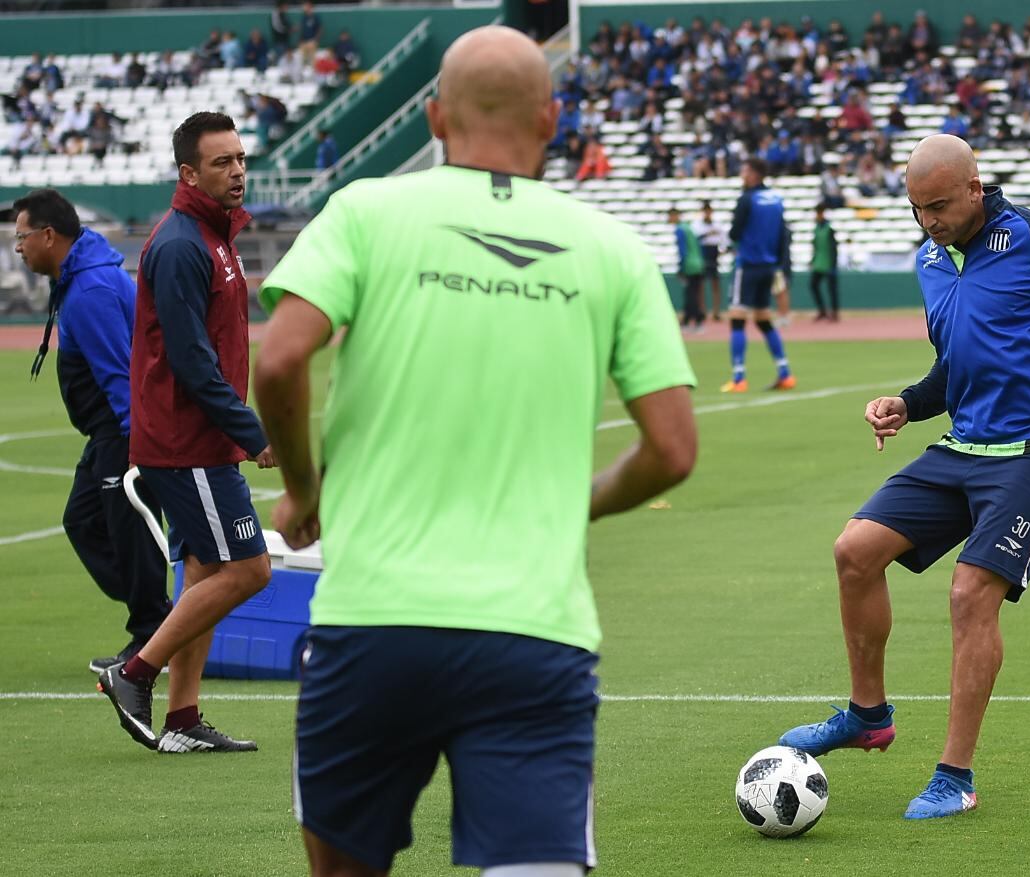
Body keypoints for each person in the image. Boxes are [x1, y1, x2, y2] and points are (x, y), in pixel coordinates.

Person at [251, 25, 696, 877]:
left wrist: (303, 490)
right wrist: (579, 500)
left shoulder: (367, 210)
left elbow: (277, 358)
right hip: (532, 630)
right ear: (552, 117)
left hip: (372, 621)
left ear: (433, 115)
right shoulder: (611, 248)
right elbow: (672, 450)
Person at [777, 134, 1030, 820]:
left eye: (941, 206)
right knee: (854, 551)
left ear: (976, 188)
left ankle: (955, 775)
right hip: (964, 447)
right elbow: (958, 368)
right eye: (918, 209)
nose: (929, 221)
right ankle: (868, 714)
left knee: (969, 592)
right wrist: (908, 403)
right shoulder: (929, 258)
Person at [97, 111, 276, 754]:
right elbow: (189, 357)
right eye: (222, 162)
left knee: (205, 572)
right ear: (188, 172)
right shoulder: (180, 245)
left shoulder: (213, 235)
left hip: (200, 439)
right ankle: (134, 672)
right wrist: (253, 432)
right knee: (250, 570)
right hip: (187, 441)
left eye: (240, 159)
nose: (236, 171)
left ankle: (182, 722)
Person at [14, 188, 171, 673]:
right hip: (109, 431)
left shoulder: (91, 291)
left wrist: (136, 446)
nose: (17, 247)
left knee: (130, 533)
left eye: (20, 237)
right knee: (84, 521)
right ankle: (168, 621)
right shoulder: (81, 279)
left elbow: (120, 374)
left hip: (122, 432)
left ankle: (156, 634)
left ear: (47, 235)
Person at [723, 156, 795, 393]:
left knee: (737, 319)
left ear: (754, 174)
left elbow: (734, 231)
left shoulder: (747, 199)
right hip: (769, 267)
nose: (742, 175)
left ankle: (738, 377)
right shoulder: (776, 199)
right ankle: (785, 373)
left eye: (744, 171)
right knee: (764, 320)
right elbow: (784, 234)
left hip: (749, 265)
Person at [670, 206, 706, 331]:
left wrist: (681, 267)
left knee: (690, 294)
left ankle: (694, 320)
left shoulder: (680, 229)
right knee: (693, 293)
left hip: (690, 266)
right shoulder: (688, 227)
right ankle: (691, 320)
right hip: (698, 264)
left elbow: (683, 251)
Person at [690, 200, 726, 320]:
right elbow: (695, 239)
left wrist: (722, 251)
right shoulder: (697, 225)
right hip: (703, 253)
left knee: (715, 284)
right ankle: (702, 310)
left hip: (714, 253)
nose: (707, 213)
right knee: (701, 284)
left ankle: (716, 311)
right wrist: (708, 234)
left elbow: (723, 240)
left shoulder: (718, 224)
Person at [810, 203, 840, 320]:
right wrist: (812, 260)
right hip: (819, 263)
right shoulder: (816, 228)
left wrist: (833, 264)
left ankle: (834, 312)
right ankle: (822, 310)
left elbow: (834, 248)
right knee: (813, 285)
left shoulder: (830, 228)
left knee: (832, 289)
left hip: (829, 263)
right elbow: (815, 246)